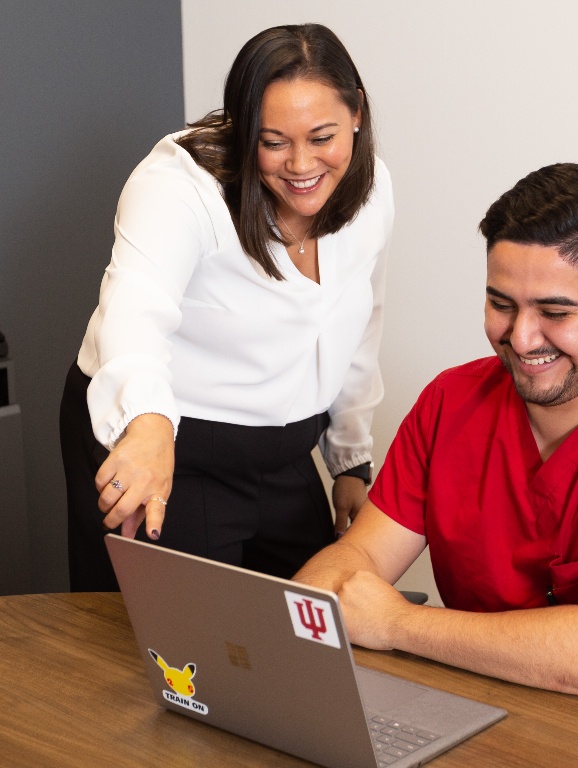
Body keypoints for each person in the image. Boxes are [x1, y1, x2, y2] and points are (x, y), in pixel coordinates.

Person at [294, 163, 578, 724]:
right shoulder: (450, 401)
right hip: (481, 708)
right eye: (501, 304)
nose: (520, 338)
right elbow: (359, 557)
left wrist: (394, 624)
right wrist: (300, 617)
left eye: (555, 312)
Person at [61, 23, 394, 591]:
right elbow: (134, 308)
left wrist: (350, 461)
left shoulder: (370, 188)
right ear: (244, 130)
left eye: (322, 136)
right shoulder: (179, 188)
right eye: (273, 142)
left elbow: (356, 322)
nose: (301, 164)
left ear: (357, 112)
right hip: (169, 442)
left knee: (305, 627)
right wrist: (145, 424)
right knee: (173, 655)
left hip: (282, 450)